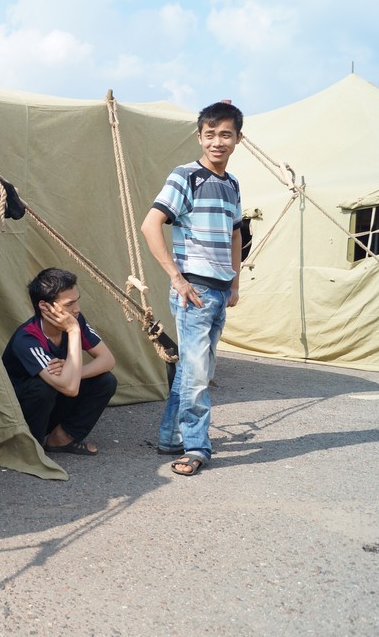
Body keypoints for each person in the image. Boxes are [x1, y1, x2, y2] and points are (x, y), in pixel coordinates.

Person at [140, 101, 244, 477]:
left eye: (226, 134)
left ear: (238, 139)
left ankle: (170, 436)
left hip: (219, 291)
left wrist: (235, 281)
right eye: (211, 134)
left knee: (192, 370)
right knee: (199, 375)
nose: (218, 142)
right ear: (199, 136)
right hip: (194, 290)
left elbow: (235, 232)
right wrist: (176, 277)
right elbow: (151, 225)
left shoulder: (232, 184)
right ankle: (197, 446)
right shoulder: (185, 176)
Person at [2, 268, 117, 456]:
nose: (77, 309)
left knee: (105, 381)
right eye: (69, 304)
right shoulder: (27, 338)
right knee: (43, 388)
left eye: (77, 300)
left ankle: (61, 439)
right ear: (45, 307)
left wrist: (73, 371)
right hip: (23, 413)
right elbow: (70, 388)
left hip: (54, 403)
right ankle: (32, 446)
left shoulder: (75, 320)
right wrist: (73, 332)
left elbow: (107, 360)